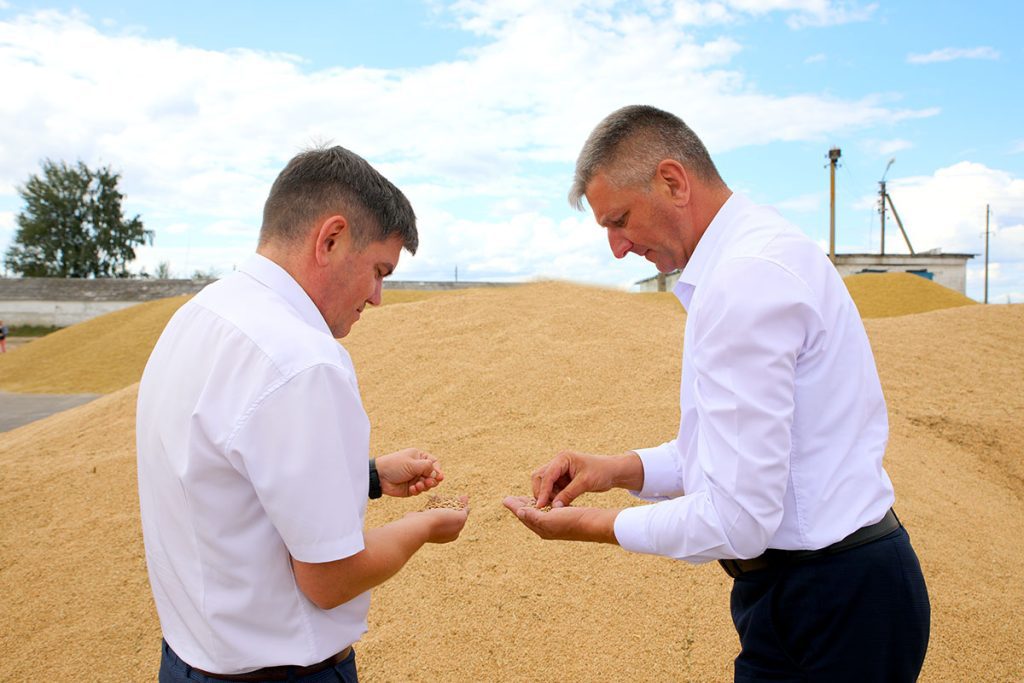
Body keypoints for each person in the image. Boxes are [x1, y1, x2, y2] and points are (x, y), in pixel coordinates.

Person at [504, 105, 930, 682]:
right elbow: (724, 453)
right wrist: (615, 469)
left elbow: (738, 517)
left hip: (832, 598)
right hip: (819, 589)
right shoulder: (750, 255)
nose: (617, 247)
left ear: (673, 182)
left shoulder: (745, 278)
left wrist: (591, 527)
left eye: (620, 219)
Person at [137, 146, 470, 683]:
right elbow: (331, 579)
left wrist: (368, 477)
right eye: (378, 270)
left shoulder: (198, 316)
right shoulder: (304, 361)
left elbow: (221, 478)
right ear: (331, 239)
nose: (379, 297)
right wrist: (424, 527)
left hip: (187, 660)